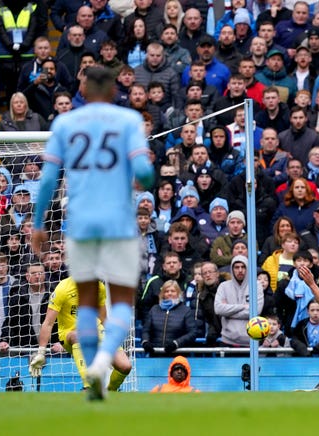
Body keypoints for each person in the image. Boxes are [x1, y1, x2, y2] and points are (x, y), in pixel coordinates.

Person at [32, 67, 154, 401]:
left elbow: (46, 180)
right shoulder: (128, 121)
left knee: (86, 300)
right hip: (117, 221)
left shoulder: (65, 124)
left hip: (82, 223)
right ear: (114, 90)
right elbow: (145, 172)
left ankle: (93, 374)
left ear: (83, 90)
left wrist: (38, 223)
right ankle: (103, 361)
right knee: (121, 301)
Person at [28, 278, 131, 392]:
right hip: (69, 333)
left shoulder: (99, 287)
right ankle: (88, 386)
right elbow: (48, 323)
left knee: (125, 366)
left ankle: (111, 391)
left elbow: (103, 318)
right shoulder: (63, 288)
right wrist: (41, 352)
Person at [214, 255, 264, 347]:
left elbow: (255, 311)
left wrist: (228, 311)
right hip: (227, 341)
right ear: (232, 269)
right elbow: (218, 309)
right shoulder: (223, 286)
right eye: (237, 267)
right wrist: (243, 306)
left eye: (243, 267)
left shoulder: (256, 286)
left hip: (251, 341)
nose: (240, 270)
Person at [141, 279, 198, 355]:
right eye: (166, 291)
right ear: (162, 294)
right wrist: (145, 342)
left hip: (178, 354)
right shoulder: (154, 309)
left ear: (178, 293)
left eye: (173, 291)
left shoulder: (186, 310)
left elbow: (192, 333)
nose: (169, 293)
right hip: (156, 355)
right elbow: (146, 330)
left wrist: (176, 343)